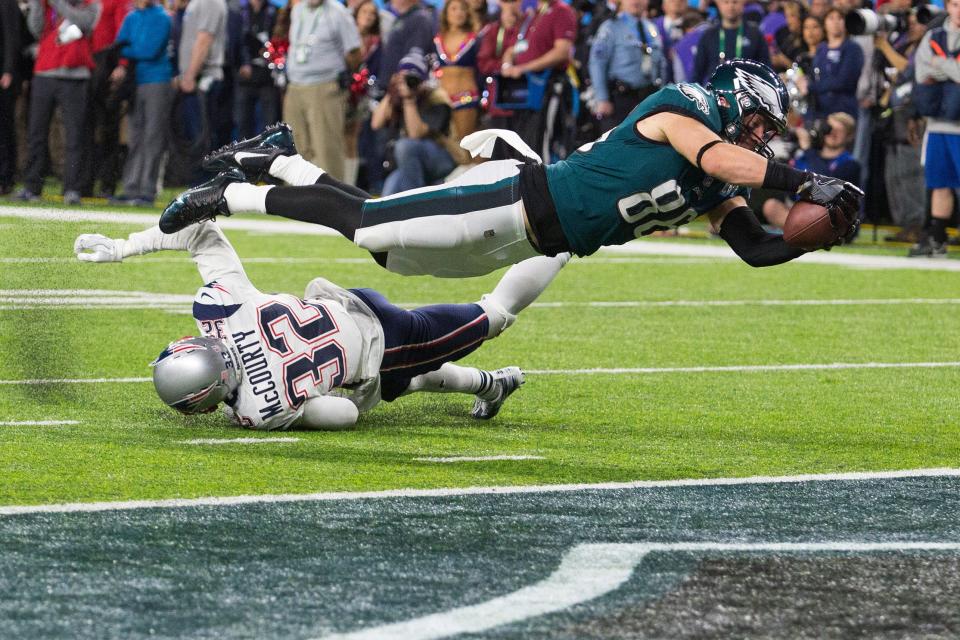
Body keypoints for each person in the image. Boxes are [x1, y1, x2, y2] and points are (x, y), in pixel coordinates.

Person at [160, 59, 862, 284]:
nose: (766, 138)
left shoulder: (726, 181)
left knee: (380, 249)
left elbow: (755, 247)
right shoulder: (683, 110)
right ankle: (234, 192)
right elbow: (713, 154)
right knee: (370, 222)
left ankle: (277, 157)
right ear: (738, 100)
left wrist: (817, 231)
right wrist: (804, 184)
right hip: (511, 204)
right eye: (764, 123)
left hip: (531, 246)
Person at [74, 218, 545, 428]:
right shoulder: (220, 308)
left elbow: (345, 415)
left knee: (494, 316)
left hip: (387, 343)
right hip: (349, 304)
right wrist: (124, 247)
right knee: (401, 380)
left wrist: (299, 399)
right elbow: (200, 231)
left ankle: (560, 238)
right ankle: (490, 385)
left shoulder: (258, 411)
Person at [16, 0, 101, 205]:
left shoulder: (91, 4)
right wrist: (37, 5)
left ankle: (72, 188)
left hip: (76, 75)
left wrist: (57, 3)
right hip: (45, 72)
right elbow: (36, 30)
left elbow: (85, 24)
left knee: (74, 136)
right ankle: (32, 186)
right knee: (36, 133)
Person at [282, 0, 361, 181]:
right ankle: (298, 202)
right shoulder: (298, 10)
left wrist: (341, 80)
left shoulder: (338, 12)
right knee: (296, 149)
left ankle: (333, 203)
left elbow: (354, 52)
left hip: (324, 87)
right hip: (294, 87)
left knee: (327, 150)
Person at [370, 48, 465, 195]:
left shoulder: (437, 99)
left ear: (423, 81)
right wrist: (392, 90)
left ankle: (416, 205)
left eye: (412, 79)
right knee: (389, 190)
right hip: (412, 163)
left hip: (443, 158)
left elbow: (415, 134)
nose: (408, 84)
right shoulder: (397, 96)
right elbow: (376, 123)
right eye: (404, 78)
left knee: (405, 146)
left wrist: (409, 100)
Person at [110, 0, 173, 207]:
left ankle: (147, 189)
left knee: (152, 136)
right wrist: (126, 50)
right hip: (135, 83)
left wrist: (127, 50)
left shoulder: (163, 17)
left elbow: (150, 50)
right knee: (135, 136)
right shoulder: (132, 16)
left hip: (157, 80)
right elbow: (120, 44)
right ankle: (131, 188)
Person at [909, 0, 960, 257]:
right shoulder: (934, 35)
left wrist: (940, 65)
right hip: (938, 124)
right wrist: (951, 70)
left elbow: (935, 69)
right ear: (948, 7)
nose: (959, 9)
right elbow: (921, 74)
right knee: (939, 183)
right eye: (955, 4)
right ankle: (938, 241)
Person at [761, 112, 861, 228]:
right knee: (771, 206)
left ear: (848, 136)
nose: (833, 133)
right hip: (801, 212)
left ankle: (800, 232)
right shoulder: (806, 155)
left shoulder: (850, 163)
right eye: (829, 128)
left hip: (830, 216)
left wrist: (807, 149)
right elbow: (790, 191)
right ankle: (802, 232)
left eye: (839, 131)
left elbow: (824, 188)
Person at [588, 0, 667, 131]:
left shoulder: (651, 28)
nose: (636, 1)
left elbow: (661, 64)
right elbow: (597, 64)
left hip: (649, 100)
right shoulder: (610, 28)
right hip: (621, 101)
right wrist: (602, 99)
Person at [433, 0, 482, 138]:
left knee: (467, 146)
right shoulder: (437, 40)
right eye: (454, 9)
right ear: (446, 13)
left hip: (466, 99)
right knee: (444, 145)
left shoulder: (475, 39)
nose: (458, 13)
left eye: (462, 9)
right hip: (441, 101)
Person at [691, 0, 770, 84]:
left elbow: (765, 70)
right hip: (715, 92)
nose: (731, 6)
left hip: (747, 92)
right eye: (726, 2)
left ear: (743, 3)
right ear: (719, 4)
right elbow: (697, 73)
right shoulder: (708, 35)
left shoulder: (755, 34)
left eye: (735, 2)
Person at [806, 7, 862, 122]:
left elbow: (843, 81)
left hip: (843, 110)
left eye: (840, 18)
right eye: (831, 18)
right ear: (824, 23)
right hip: (820, 111)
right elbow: (814, 76)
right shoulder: (821, 49)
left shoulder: (852, 48)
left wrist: (810, 87)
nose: (836, 22)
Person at [0, 0, 22, 195]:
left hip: (3, 75)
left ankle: (5, 178)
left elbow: (11, 36)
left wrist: (8, 69)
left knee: (4, 127)